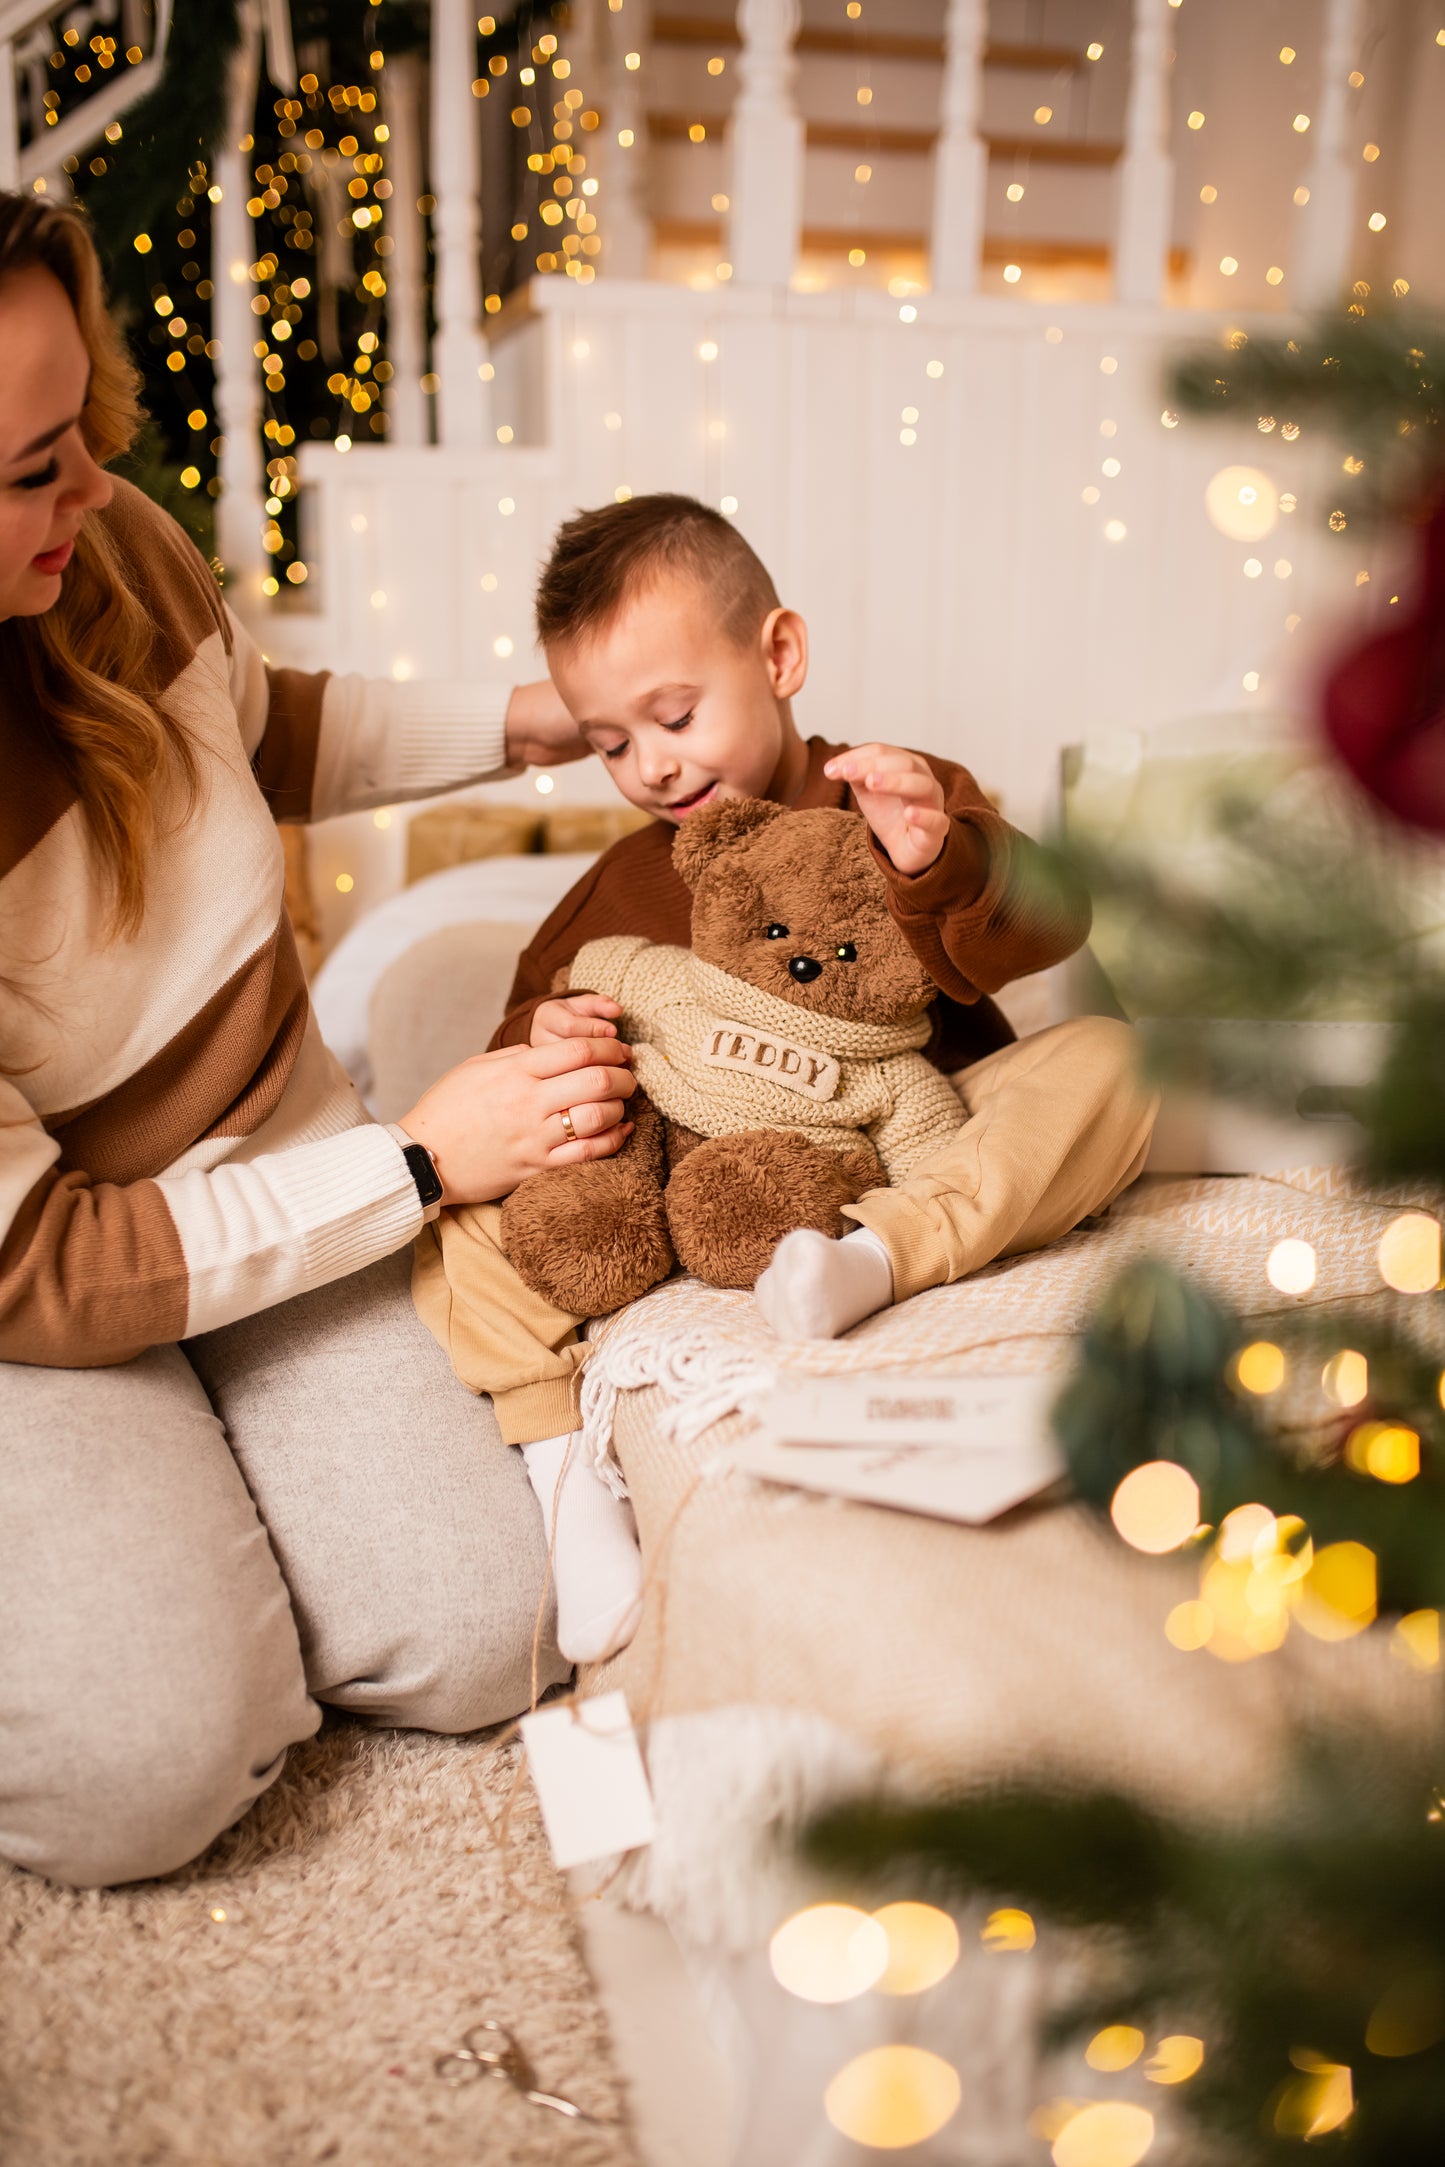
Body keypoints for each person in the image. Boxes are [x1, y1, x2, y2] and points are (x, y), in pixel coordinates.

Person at [0, 195, 636, 1890]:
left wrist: (542, 720)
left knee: (490, 1630)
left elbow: (261, 723)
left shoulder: (101, 539)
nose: (89, 493)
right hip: (40, 1289)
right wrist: (421, 1163)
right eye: (27, 471)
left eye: (83, 438)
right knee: (144, 1776)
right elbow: (46, 1269)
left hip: (263, 1146)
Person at [414, 493, 1160, 1662]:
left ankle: (879, 1260)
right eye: (611, 743)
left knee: (1113, 1062)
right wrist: (549, 1033)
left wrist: (943, 856)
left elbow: (1049, 922)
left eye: (674, 715)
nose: (652, 766)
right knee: (455, 1206)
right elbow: (528, 1018)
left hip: (903, 1147)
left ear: (778, 655)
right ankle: (561, 1469)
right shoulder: (622, 880)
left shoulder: (890, 800)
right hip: (701, 1179)